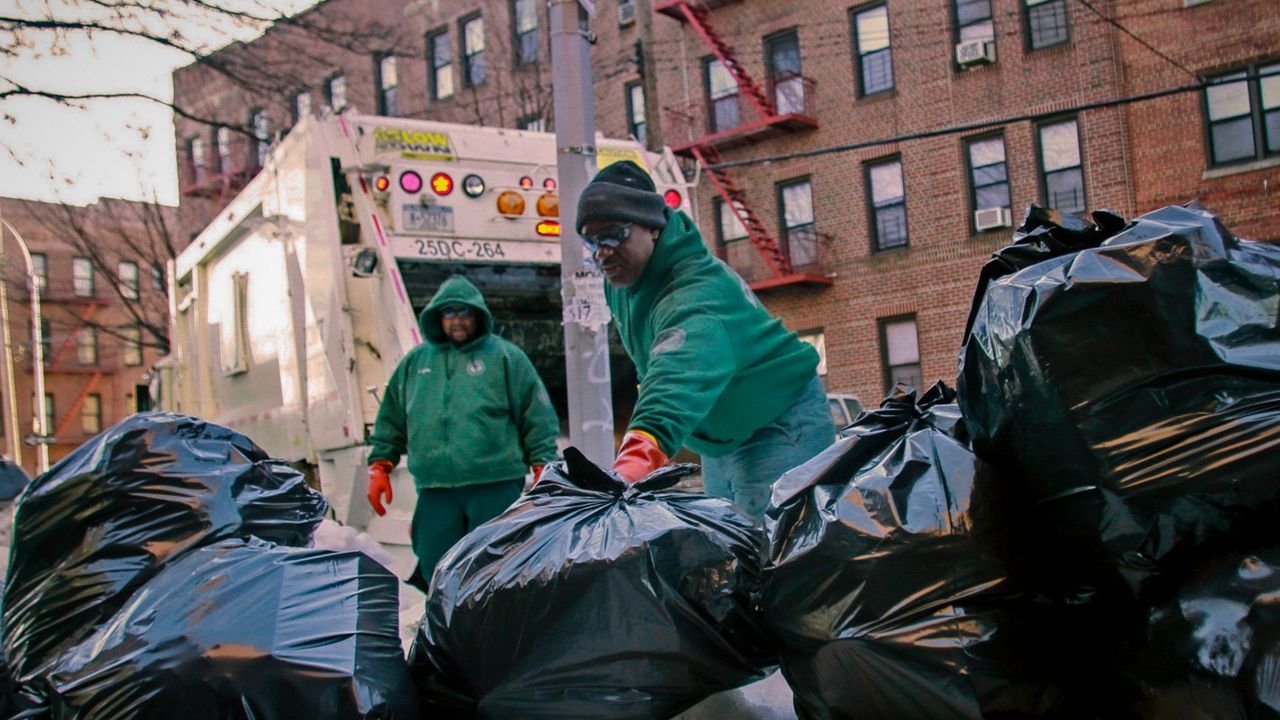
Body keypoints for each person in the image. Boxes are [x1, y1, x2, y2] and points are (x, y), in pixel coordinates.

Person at [576, 160, 834, 520]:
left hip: (780, 419)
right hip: (721, 435)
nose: (601, 251)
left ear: (652, 228)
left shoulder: (698, 294)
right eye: (590, 240)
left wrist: (627, 470)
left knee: (775, 556)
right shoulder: (621, 282)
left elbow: (675, 376)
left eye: (613, 234)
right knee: (729, 548)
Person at [366, 274, 559, 586]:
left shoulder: (506, 357)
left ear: (477, 315)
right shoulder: (416, 362)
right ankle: (446, 629)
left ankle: (494, 630)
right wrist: (380, 465)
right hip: (435, 488)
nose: (456, 320)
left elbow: (536, 415)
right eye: (449, 313)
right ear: (438, 318)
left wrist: (543, 465)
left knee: (496, 565)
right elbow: (391, 417)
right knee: (436, 563)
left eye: (464, 312)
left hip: (494, 484)